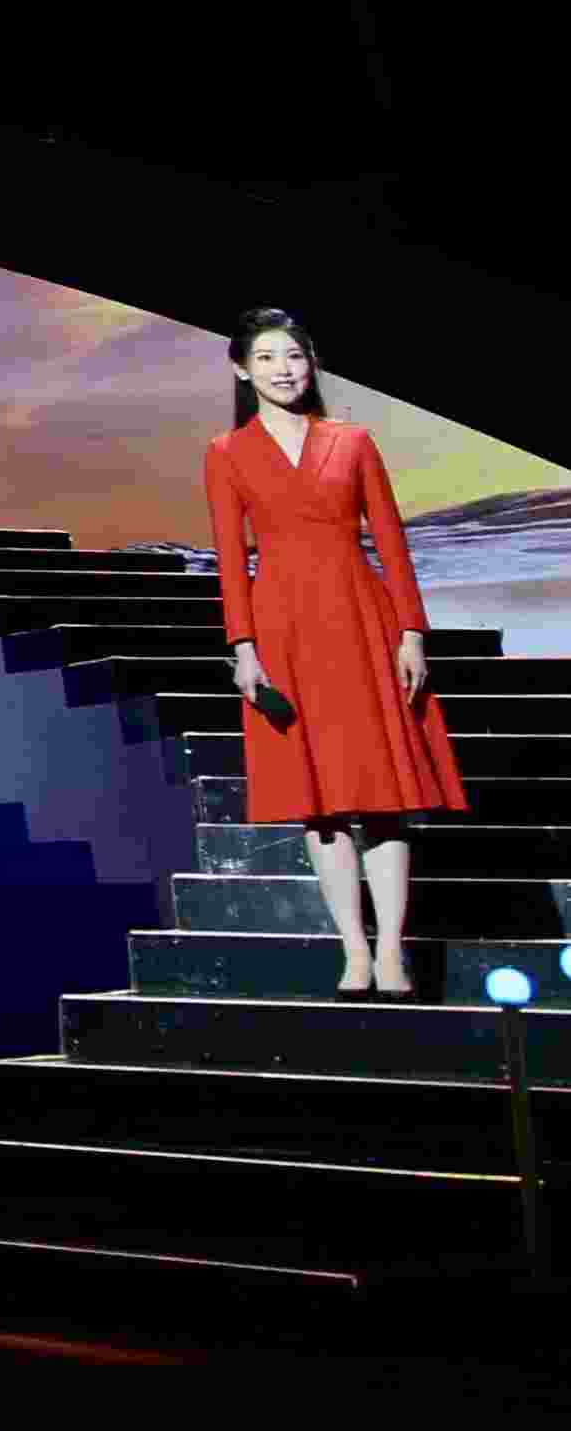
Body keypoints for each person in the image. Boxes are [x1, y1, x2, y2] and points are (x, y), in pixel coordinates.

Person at [209, 308, 463, 998]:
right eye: (267, 357)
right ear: (242, 369)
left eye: (293, 355)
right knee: (318, 804)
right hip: (284, 630)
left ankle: (392, 952)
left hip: (361, 620)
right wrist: (243, 648)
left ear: (312, 363)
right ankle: (353, 950)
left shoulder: (352, 441)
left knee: (384, 797)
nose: (283, 369)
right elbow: (231, 560)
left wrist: (411, 632)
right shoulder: (227, 453)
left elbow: (391, 540)